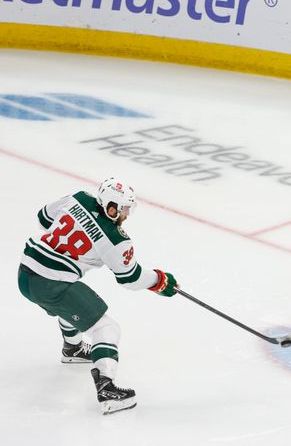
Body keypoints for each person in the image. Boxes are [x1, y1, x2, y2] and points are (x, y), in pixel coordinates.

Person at [18, 178, 178, 415]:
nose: (125, 214)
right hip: (52, 283)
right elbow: (130, 278)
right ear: (110, 205)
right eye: (122, 209)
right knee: (107, 329)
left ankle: (72, 349)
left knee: (74, 305)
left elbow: (43, 218)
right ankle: (107, 388)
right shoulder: (116, 239)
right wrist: (159, 280)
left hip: (25, 274)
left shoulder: (79, 198)